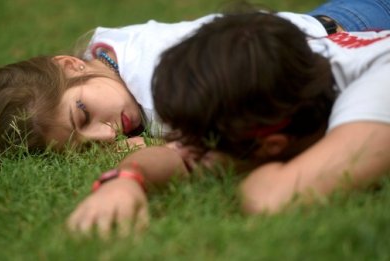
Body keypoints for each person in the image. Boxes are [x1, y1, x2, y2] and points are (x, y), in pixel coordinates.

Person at [66, 11, 390, 237]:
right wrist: (125, 180)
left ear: (272, 145)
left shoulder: (377, 94)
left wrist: (243, 165)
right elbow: (177, 156)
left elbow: (271, 198)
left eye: (207, 146)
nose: (194, 154)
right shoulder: (285, 65)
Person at [0, 0, 390, 157]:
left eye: (85, 115)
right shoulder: (106, 53)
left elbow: (202, 139)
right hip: (337, 22)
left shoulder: (158, 84)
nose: (108, 134)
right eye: (86, 143)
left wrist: (150, 145)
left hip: (356, 29)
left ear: (70, 65)